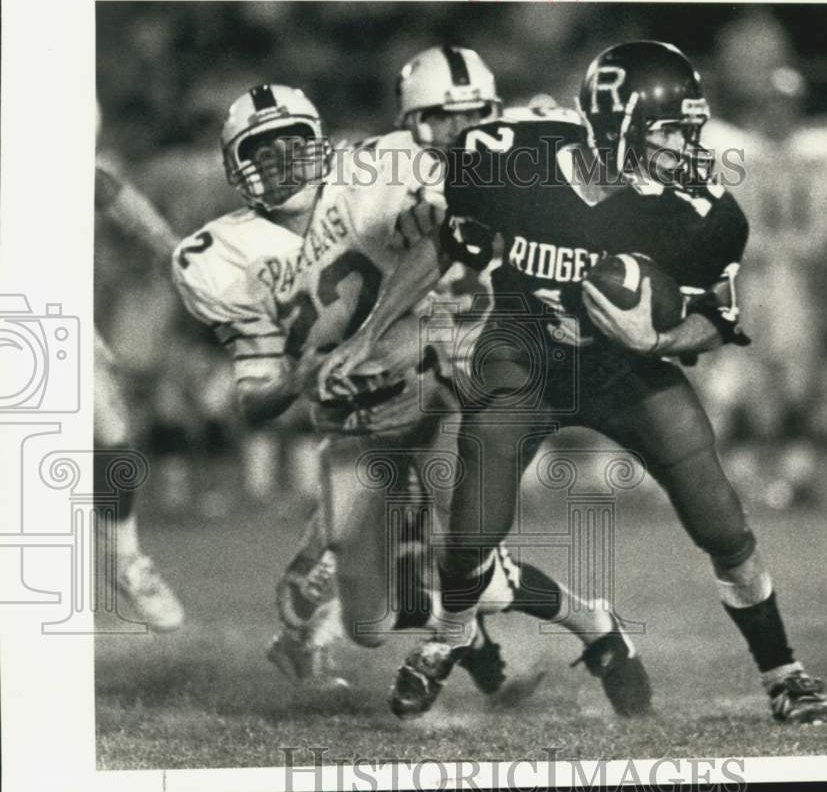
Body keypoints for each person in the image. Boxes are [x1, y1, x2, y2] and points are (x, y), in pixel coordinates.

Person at [321, 41, 827, 725]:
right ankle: (447, 637)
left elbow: (716, 319)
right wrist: (370, 332)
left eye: (689, 131)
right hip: (524, 353)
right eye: (669, 133)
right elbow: (450, 241)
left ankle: (785, 671)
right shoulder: (511, 157)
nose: (685, 149)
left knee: (722, 521)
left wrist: (659, 339)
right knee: (470, 534)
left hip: (623, 366)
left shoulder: (703, 212)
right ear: (616, 124)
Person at [173, 58, 648, 715]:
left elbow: (442, 227)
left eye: (293, 144)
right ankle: (476, 639)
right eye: (264, 150)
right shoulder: (218, 255)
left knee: (465, 557)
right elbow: (257, 395)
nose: (283, 162)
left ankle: (580, 630)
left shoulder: (379, 174)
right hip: (357, 418)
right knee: (369, 609)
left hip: (443, 378)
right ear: (235, 162)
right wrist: (301, 373)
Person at [94, 151, 186, 632]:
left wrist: (173, 249)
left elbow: (106, 188)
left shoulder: (47, 146)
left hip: (45, 305)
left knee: (109, 428)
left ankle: (124, 560)